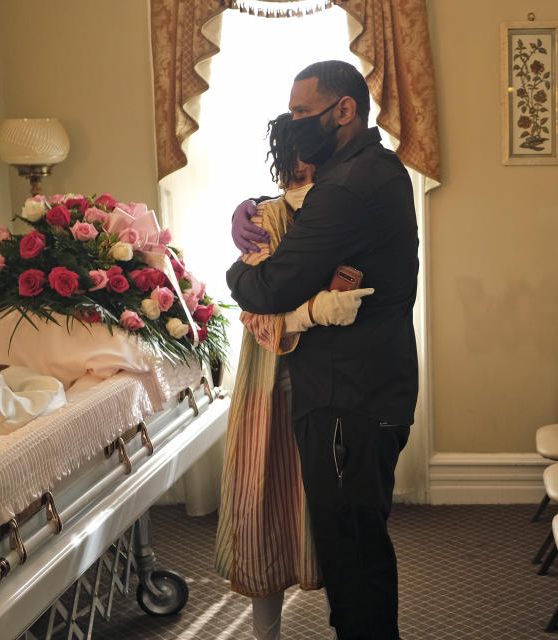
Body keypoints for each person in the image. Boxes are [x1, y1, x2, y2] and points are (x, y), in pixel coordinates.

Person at [226, 60, 419, 640]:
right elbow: (309, 206)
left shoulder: (349, 188)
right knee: (354, 546)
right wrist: (259, 204)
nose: (293, 125)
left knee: (352, 558)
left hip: (346, 399)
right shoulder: (371, 168)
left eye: (303, 114)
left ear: (345, 110)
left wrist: (236, 267)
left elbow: (270, 285)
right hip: (368, 386)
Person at [216, 112, 374, 640]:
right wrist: (308, 314)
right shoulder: (273, 217)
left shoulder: (339, 205)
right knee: (276, 507)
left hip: (323, 383)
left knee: (317, 511)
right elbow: (257, 309)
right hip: (281, 382)